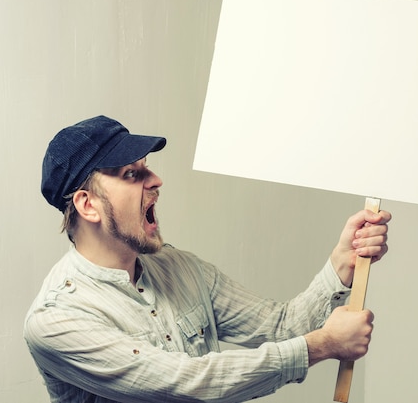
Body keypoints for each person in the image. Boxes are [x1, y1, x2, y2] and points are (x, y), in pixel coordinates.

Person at [24, 115, 391, 403]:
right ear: (88, 205)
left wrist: (342, 263)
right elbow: (188, 385)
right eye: (132, 174)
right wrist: (323, 345)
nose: (156, 180)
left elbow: (282, 326)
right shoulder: (57, 320)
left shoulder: (178, 267)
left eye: (146, 166)